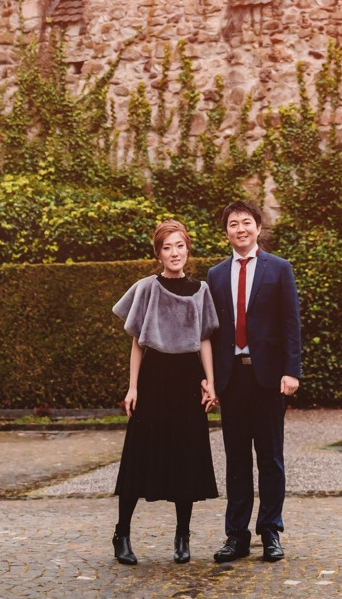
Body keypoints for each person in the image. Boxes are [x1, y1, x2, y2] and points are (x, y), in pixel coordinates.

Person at [110, 219, 219, 566]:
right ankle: (122, 533)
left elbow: (204, 339)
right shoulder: (145, 288)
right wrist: (133, 387)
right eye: (167, 247)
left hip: (187, 380)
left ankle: (182, 536)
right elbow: (137, 344)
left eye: (180, 246)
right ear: (158, 253)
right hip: (154, 379)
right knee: (138, 456)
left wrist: (210, 382)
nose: (175, 253)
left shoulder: (201, 290)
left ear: (188, 249)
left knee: (185, 457)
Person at [206, 199, 302, 564]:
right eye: (233, 224)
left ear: (258, 228)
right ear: (226, 231)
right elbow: (211, 334)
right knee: (235, 461)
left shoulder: (279, 269)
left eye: (246, 222)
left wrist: (291, 370)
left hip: (268, 379)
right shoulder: (215, 275)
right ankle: (236, 535)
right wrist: (210, 380)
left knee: (271, 459)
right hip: (232, 378)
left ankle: (270, 531)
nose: (240, 229)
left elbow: (290, 324)